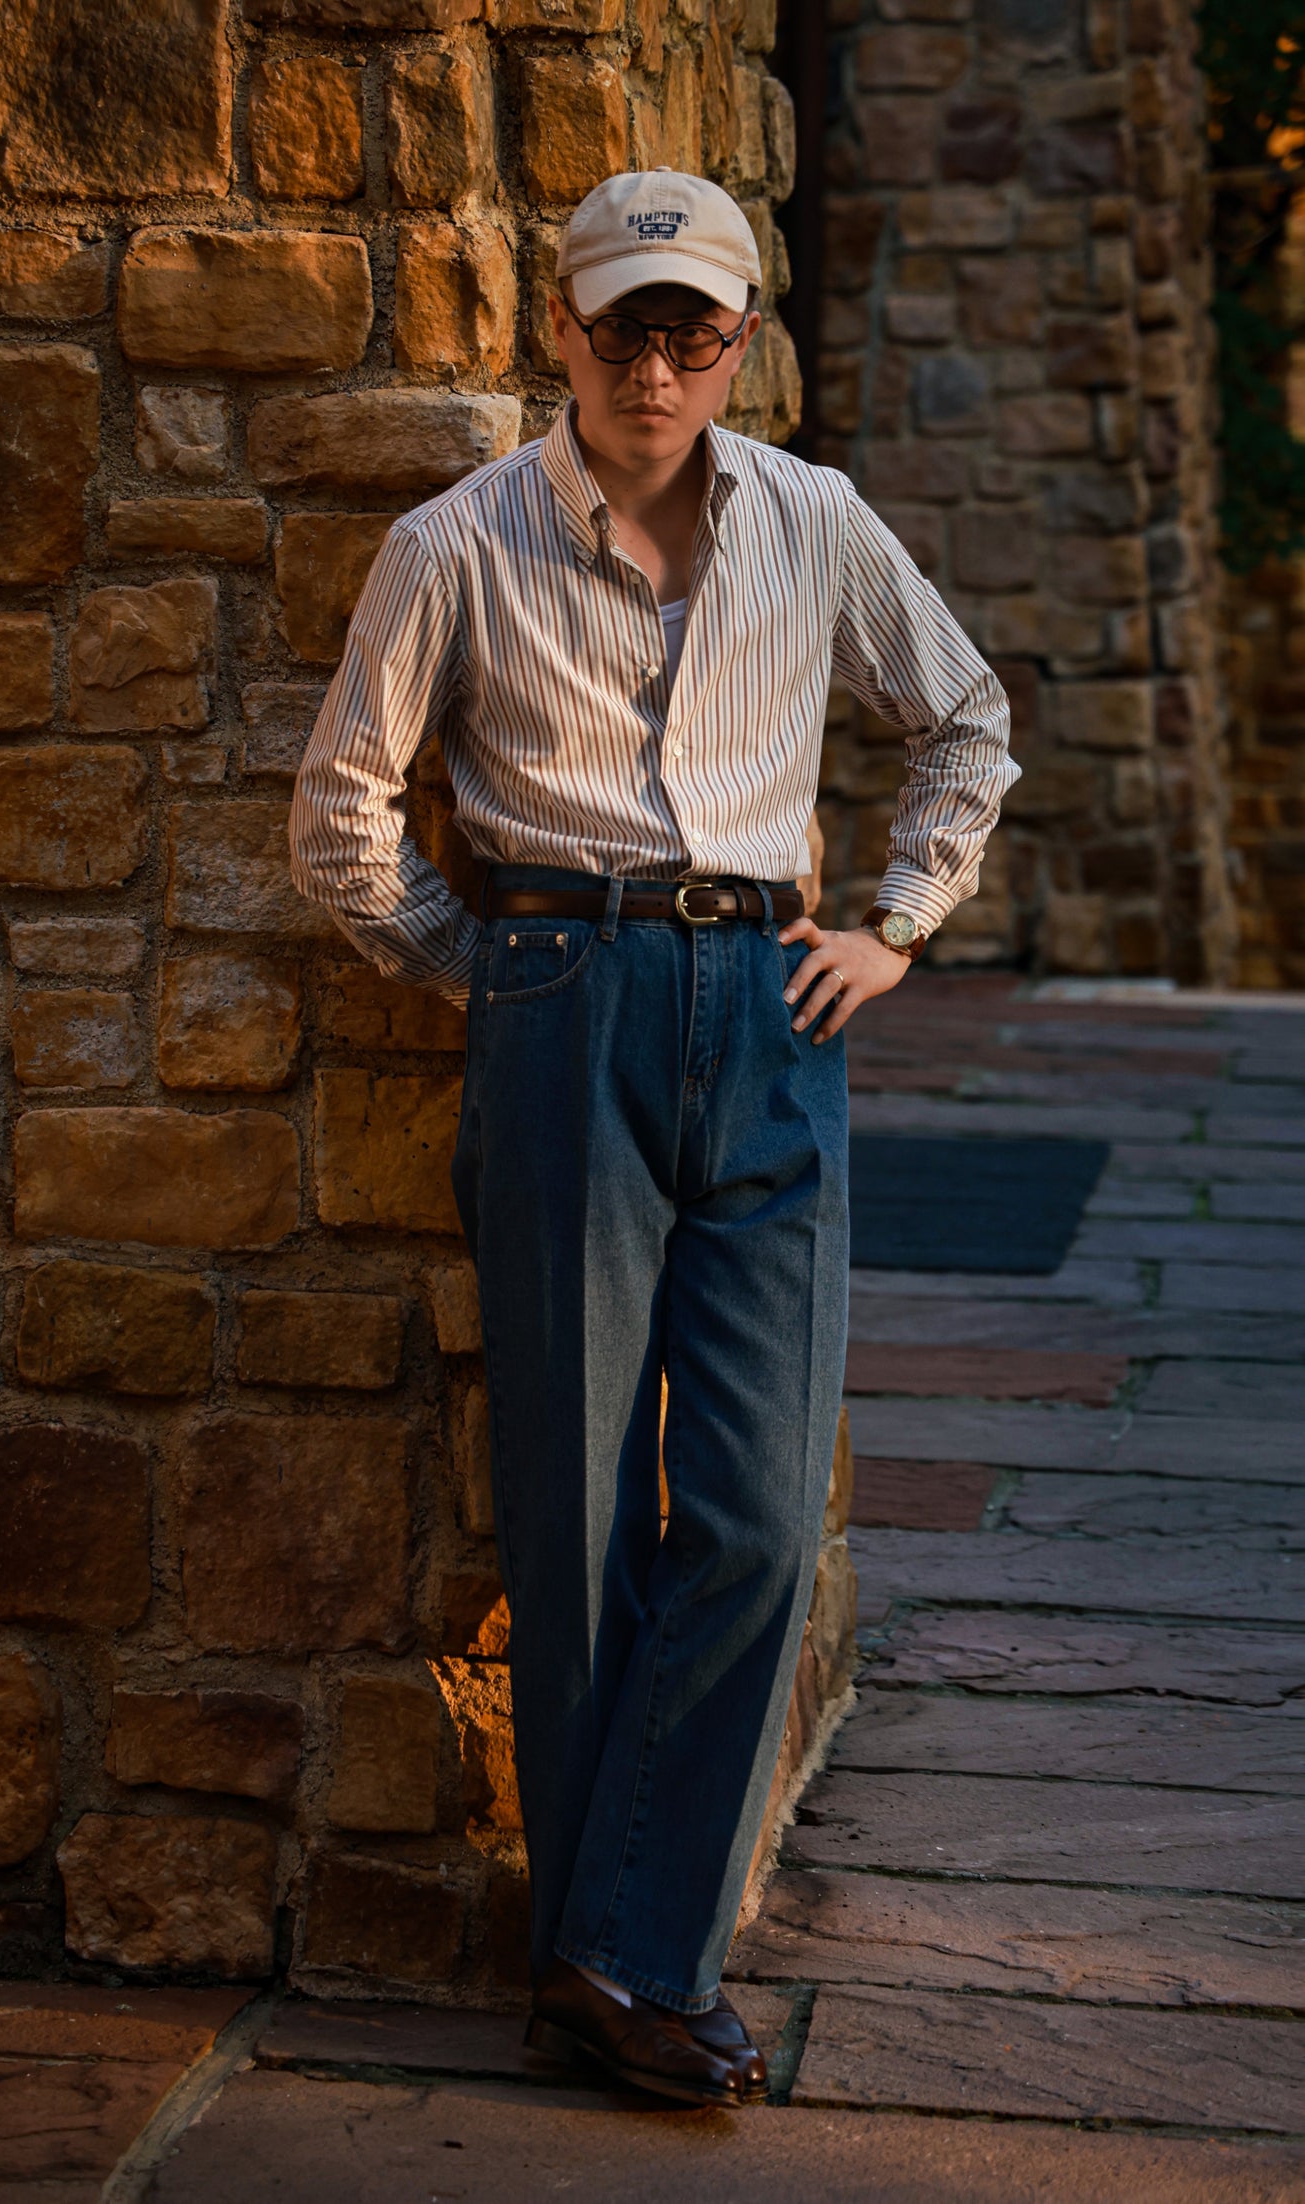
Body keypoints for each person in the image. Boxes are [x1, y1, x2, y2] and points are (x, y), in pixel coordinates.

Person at [290, 166, 1018, 2110]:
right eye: (626, 324)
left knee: (763, 1513)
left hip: (772, 1011)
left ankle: (604, 1948)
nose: (659, 364)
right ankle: (632, 1970)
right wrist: (502, 975)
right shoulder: (455, 542)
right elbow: (341, 814)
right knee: (583, 1515)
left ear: (744, 342)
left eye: (697, 330)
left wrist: (897, 924)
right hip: (563, 1003)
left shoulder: (818, 525)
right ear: (563, 328)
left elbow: (968, 720)